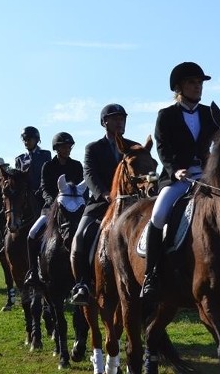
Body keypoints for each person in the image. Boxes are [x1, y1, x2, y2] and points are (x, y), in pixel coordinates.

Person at [141, 62, 219, 300]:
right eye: (192, 83)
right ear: (179, 87)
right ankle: (151, 274)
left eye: (199, 83)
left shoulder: (209, 114)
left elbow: (219, 140)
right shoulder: (166, 115)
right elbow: (162, 148)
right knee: (159, 214)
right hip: (178, 178)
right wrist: (175, 170)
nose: (198, 87)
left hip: (206, 176)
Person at [70, 103, 138, 306]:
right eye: (115, 118)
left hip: (132, 203)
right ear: (104, 122)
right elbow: (89, 174)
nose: (120, 122)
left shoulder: (134, 147)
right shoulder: (93, 148)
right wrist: (105, 194)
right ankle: (82, 284)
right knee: (80, 237)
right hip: (101, 202)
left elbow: (144, 171)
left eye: (122, 118)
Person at [24, 132, 83, 286]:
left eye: (69, 146)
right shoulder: (48, 166)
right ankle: (33, 272)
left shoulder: (76, 165)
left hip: (74, 209)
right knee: (32, 233)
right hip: (51, 208)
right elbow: (44, 188)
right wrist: (53, 201)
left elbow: (81, 188)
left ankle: (86, 275)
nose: (68, 149)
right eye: (64, 146)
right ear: (57, 148)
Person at [14, 126, 52, 214]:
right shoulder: (19, 159)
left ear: (36, 140)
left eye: (29, 139)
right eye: (24, 140)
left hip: (43, 195)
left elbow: (48, 176)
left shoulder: (45, 155)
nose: (26, 142)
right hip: (25, 196)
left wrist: (40, 191)